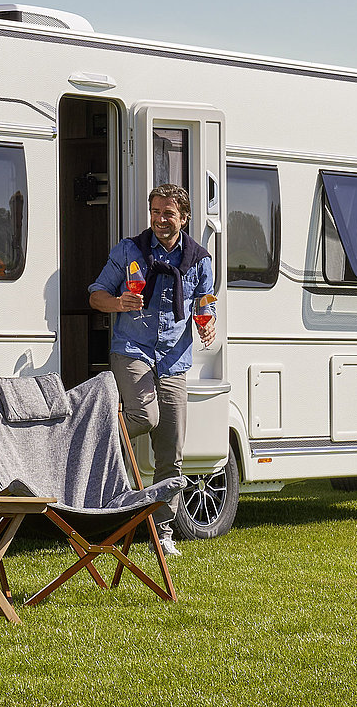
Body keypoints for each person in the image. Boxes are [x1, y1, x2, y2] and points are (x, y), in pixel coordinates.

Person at [87, 183, 216, 557]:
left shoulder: (200, 259)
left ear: (184, 218)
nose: (160, 220)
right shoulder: (129, 250)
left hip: (175, 358)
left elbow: (204, 301)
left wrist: (207, 322)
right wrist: (118, 302)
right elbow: (96, 295)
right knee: (144, 415)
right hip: (132, 348)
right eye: (155, 212)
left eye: (168, 214)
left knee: (171, 448)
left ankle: (162, 532)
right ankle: (101, 441)